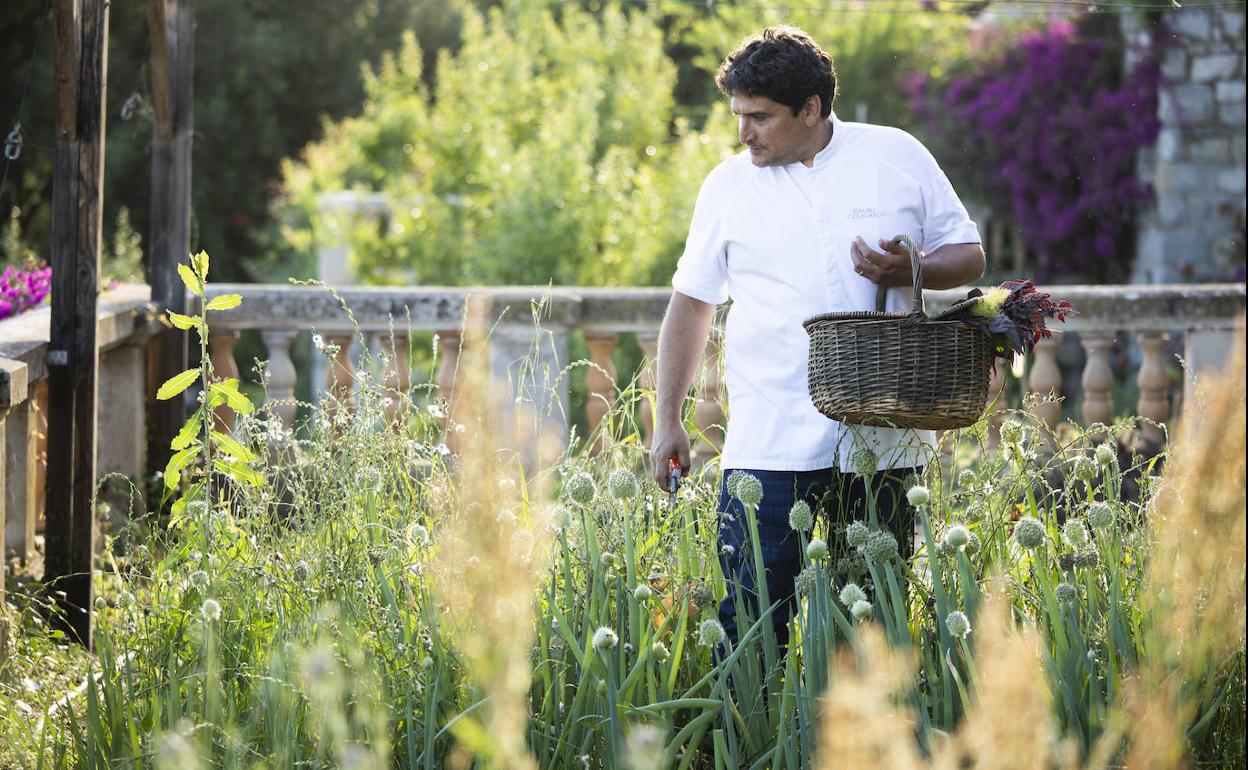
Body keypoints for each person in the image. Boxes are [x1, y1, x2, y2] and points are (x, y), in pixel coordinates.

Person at [650, 26, 985, 646]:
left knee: (870, 640)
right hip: (767, 447)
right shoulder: (727, 185)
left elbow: (969, 256)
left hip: (883, 442)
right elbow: (691, 302)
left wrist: (907, 268)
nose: (743, 133)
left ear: (812, 108)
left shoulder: (897, 155)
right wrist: (666, 417)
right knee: (750, 637)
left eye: (759, 117)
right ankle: (745, 746)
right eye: (738, 116)